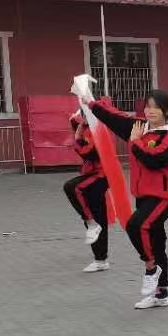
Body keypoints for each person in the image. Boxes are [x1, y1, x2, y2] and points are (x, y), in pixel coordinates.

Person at [88, 89, 168, 309]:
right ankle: (161, 293)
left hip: (164, 196)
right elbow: (115, 118)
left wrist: (136, 142)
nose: (149, 111)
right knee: (156, 242)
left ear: (166, 111)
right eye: (147, 106)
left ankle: (151, 268)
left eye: (155, 107)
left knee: (136, 225)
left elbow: (155, 159)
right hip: (144, 195)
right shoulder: (140, 128)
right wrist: (90, 103)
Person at [64, 112, 110, 273]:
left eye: (86, 113)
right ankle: (101, 260)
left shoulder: (99, 130)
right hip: (92, 174)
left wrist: (77, 139)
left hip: (100, 175)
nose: (82, 117)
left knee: (72, 187)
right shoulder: (86, 126)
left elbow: (88, 152)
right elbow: (75, 122)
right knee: (99, 217)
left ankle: (91, 223)